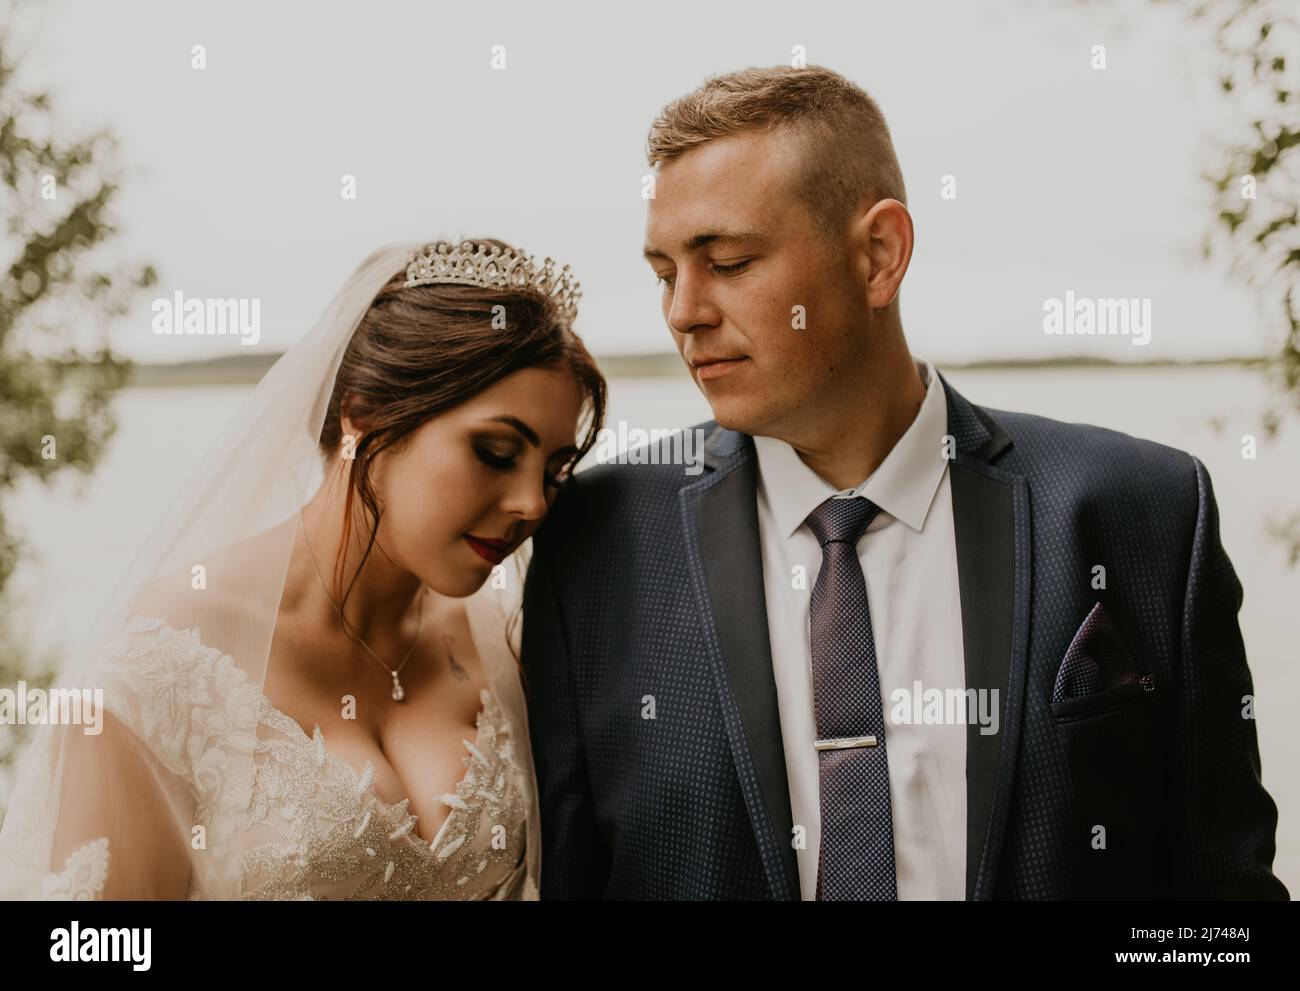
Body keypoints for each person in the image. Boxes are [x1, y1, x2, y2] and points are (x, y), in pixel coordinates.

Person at [521, 65, 1289, 900]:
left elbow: (1224, 909)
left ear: (879, 255)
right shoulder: (592, 544)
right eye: (665, 272)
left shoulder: (1145, 510)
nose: (682, 311)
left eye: (729, 261)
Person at [0, 237, 606, 900]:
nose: (531, 503)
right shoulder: (161, 667)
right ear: (364, 416)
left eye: (554, 471)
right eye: (494, 451)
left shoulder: (502, 640)